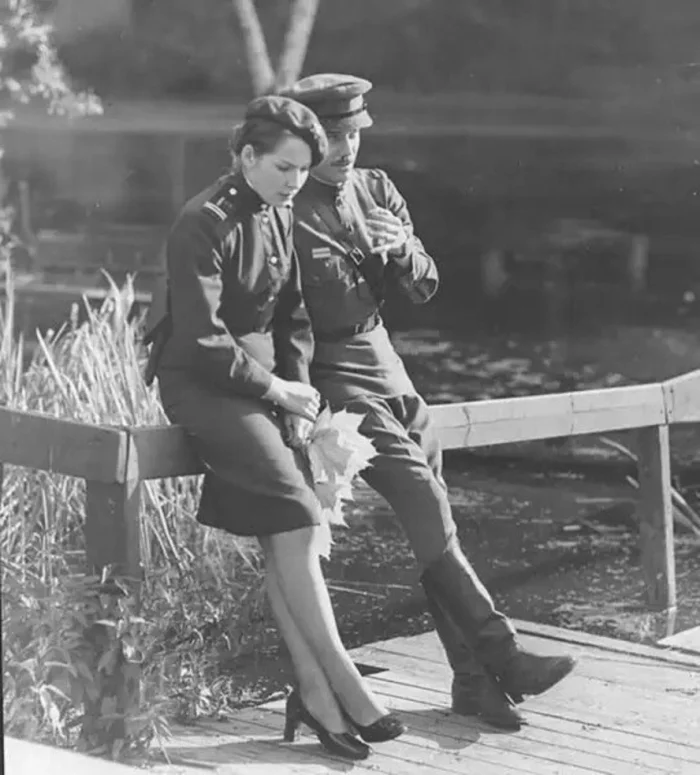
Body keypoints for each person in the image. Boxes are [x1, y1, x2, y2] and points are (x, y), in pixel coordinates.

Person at [280, 73, 576, 731]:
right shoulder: (287, 209)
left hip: (391, 367)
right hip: (335, 376)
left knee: (434, 518)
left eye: (355, 134)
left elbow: (426, 286)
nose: (347, 149)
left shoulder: (377, 189)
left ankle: (473, 683)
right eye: (333, 137)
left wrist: (401, 252)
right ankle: (503, 654)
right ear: (307, 139)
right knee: (423, 497)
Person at [142, 95, 405, 760]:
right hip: (204, 383)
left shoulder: (280, 211)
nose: (295, 182)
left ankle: (314, 694)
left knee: (289, 532)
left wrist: (298, 390)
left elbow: (292, 317)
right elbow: (201, 338)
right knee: (295, 514)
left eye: (303, 170)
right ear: (246, 156)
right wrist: (274, 389)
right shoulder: (202, 222)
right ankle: (344, 681)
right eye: (284, 167)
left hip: (267, 385)